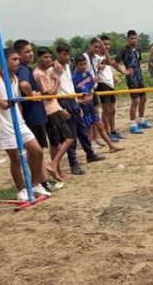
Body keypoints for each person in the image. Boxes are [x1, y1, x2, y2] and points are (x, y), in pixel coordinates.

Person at [0, 48, 51, 201]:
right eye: (13, 60)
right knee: (15, 158)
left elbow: (17, 102)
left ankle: (35, 184)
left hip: (19, 123)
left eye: (18, 59)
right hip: (4, 126)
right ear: (4, 61)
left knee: (37, 152)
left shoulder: (15, 79)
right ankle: (21, 190)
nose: (17, 62)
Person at [52, 43, 104, 174]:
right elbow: (55, 91)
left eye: (68, 54)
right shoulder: (53, 69)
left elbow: (70, 86)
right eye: (64, 54)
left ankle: (90, 154)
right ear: (58, 54)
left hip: (73, 101)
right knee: (71, 136)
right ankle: (73, 164)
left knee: (82, 131)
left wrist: (76, 102)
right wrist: (60, 108)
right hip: (63, 101)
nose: (67, 56)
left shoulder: (68, 67)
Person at [13, 39, 53, 192]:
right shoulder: (23, 69)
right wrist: (32, 95)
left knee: (37, 151)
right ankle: (40, 182)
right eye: (26, 52)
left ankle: (41, 181)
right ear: (19, 55)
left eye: (31, 51)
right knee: (36, 152)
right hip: (33, 116)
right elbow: (24, 84)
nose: (30, 54)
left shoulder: (23, 69)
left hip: (33, 115)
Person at [33, 46, 74, 183]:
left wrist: (60, 108)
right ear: (39, 58)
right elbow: (50, 94)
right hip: (50, 111)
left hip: (54, 108)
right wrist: (57, 81)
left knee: (55, 143)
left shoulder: (46, 71)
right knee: (68, 138)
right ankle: (53, 165)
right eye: (45, 57)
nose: (49, 60)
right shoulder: (39, 74)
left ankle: (57, 171)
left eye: (50, 57)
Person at [72, 55, 123, 152]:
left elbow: (91, 86)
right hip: (82, 107)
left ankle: (111, 146)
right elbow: (71, 93)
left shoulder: (87, 74)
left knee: (100, 125)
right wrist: (79, 100)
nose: (83, 66)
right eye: (80, 64)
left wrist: (91, 95)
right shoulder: (74, 78)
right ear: (76, 65)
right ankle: (90, 150)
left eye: (84, 64)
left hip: (90, 105)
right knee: (87, 128)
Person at [118, 30, 153, 134]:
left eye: (135, 38)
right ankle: (133, 124)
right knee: (135, 101)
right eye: (131, 38)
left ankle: (142, 120)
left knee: (143, 98)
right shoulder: (124, 50)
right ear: (128, 39)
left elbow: (138, 62)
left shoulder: (138, 49)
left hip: (140, 77)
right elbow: (114, 62)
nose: (133, 40)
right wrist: (124, 71)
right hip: (131, 78)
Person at [96, 35, 126, 140]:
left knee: (112, 110)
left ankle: (113, 131)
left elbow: (109, 67)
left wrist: (114, 77)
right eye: (105, 44)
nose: (107, 46)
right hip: (102, 83)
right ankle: (107, 132)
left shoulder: (106, 55)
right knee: (106, 110)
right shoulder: (97, 57)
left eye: (108, 44)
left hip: (110, 83)